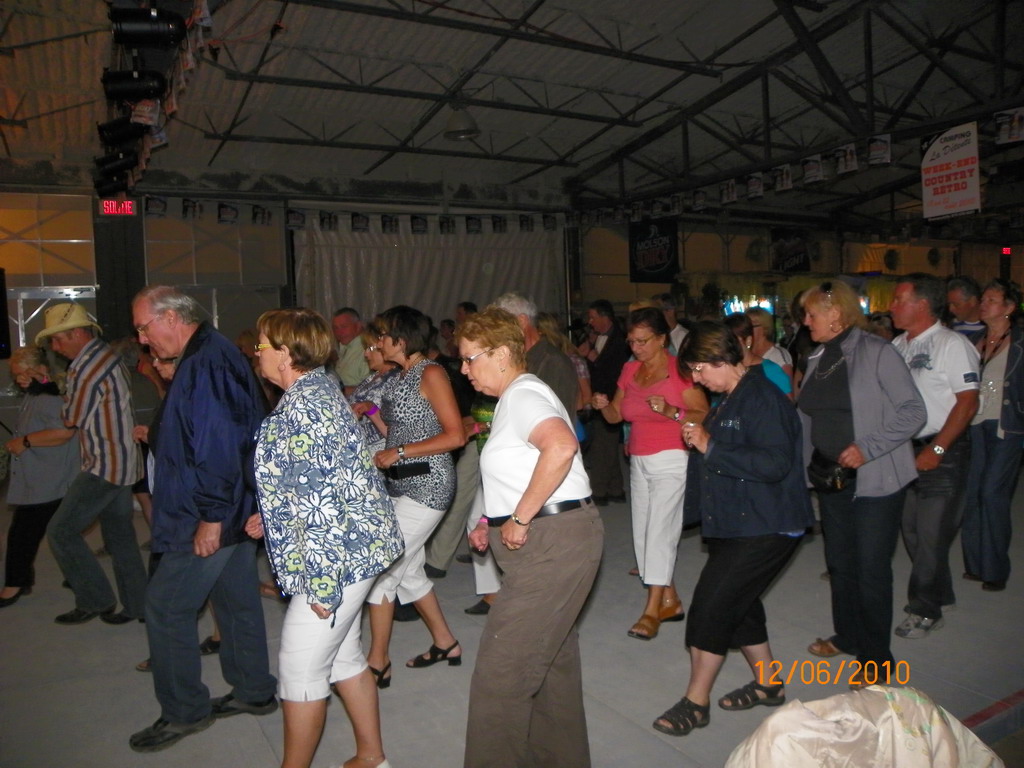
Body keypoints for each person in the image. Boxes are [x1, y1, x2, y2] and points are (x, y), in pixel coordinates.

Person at [249, 308, 403, 768]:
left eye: (261, 345)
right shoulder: (319, 388)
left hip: (336, 559)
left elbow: (322, 505)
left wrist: (322, 586)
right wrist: (274, 514)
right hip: (359, 546)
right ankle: (372, 757)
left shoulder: (303, 409)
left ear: (284, 353)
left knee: (300, 673)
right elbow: (321, 477)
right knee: (343, 658)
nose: (256, 353)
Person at [128, 286, 278, 753]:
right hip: (229, 507)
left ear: (172, 317)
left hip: (208, 511)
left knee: (166, 607)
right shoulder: (207, 354)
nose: (142, 340)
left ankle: (184, 711)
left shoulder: (207, 361)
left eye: (144, 328)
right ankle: (254, 689)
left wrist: (212, 517)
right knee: (236, 601)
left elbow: (219, 444)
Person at [457, 307, 603, 768]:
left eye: (470, 358)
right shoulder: (515, 398)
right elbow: (521, 469)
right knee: (553, 668)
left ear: (501, 354)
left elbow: (560, 446)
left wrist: (520, 518)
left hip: (553, 544)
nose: (463, 369)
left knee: (499, 678)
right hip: (554, 540)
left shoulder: (523, 393)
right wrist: (493, 520)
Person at [652, 321, 812, 738]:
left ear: (722, 359)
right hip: (737, 522)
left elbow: (775, 464)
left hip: (768, 524)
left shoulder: (763, 399)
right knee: (740, 603)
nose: (697, 380)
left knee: (712, 608)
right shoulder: (731, 398)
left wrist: (711, 445)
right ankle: (769, 683)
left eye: (700, 369)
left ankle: (696, 703)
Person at [797, 281, 926, 670]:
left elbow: (913, 411)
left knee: (871, 569)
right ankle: (848, 635)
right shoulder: (819, 356)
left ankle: (876, 657)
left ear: (835, 314)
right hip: (830, 476)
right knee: (840, 563)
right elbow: (809, 415)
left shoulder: (877, 352)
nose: (805, 322)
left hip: (875, 479)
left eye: (811, 314)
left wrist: (868, 447)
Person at [591, 307, 707, 640]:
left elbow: (702, 412)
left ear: (661, 339)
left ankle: (652, 610)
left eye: (643, 341)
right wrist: (603, 406)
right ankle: (670, 600)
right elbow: (617, 416)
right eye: (631, 341)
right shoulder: (630, 370)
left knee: (659, 533)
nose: (636, 347)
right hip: (639, 461)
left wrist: (672, 411)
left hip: (672, 458)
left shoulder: (678, 370)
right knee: (643, 533)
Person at [365, 305, 465, 687]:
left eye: (383, 335)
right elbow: (399, 429)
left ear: (401, 339)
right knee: (408, 571)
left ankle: (378, 662)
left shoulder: (431, 373)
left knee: (383, 572)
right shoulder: (401, 375)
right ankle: (446, 642)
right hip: (401, 483)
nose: (378, 342)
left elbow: (455, 435)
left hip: (428, 485)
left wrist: (401, 452)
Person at [33, 303, 147, 625]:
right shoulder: (105, 357)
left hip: (105, 466)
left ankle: (95, 599)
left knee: (60, 531)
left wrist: (57, 391)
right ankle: (137, 605)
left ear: (77, 333)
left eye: (58, 340)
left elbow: (71, 417)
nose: (56, 348)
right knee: (120, 537)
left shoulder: (87, 367)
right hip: (122, 461)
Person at [890, 274, 980, 639]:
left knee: (930, 534)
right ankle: (941, 593)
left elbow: (968, 401)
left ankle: (924, 609)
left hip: (944, 450)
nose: (891, 307)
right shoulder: (898, 345)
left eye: (899, 300)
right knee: (912, 532)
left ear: (923, 305)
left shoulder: (951, 344)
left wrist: (938, 448)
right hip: (905, 451)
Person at [1, 347, 81, 607]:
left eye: (23, 373)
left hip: (49, 479)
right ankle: (77, 576)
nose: (19, 379)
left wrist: (25, 441)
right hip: (42, 477)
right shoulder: (37, 395)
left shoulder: (48, 398)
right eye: (16, 375)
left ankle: (15, 584)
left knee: (23, 535)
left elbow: (64, 432)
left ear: (41, 370)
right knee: (57, 533)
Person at [961, 279, 1024, 592]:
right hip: (975, 424)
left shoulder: (1020, 342)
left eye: (991, 300)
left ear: (1009, 307)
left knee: (992, 493)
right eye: (983, 299)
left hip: (1007, 426)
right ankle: (976, 564)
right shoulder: (975, 340)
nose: (983, 304)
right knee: (972, 493)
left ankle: (996, 568)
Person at [579, 299, 630, 505]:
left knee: (602, 446)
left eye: (593, 317)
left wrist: (593, 357)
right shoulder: (597, 337)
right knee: (607, 445)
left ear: (604, 317)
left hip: (611, 399)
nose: (590, 322)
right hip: (598, 398)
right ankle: (616, 489)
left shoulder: (620, 339)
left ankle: (599, 491)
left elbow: (615, 372)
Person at [350, 326, 400, 454]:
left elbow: (397, 432)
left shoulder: (397, 378)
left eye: (370, 348)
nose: (366, 354)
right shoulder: (371, 378)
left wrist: (370, 409)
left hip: (381, 452)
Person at [724, 313, 792, 397]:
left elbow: (786, 402)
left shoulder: (770, 370)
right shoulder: (727, 370)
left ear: (748, 341)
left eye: (734, 342)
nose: (729, 347)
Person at [746, 307, 794, 384]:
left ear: (765, 328)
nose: (748, 330)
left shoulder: (778, 354)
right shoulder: (745, 354)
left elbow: (787, 387)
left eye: (752, 325)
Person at [332, 308, 370, 395]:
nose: (339, 332)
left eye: (344, 327)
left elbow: (371, 388)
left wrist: (335, 390)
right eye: (335, 328)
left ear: (358, 326)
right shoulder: (344, 347)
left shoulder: (366, 350)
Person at [947, 276, 986, 340]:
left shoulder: (987, 329)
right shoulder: (950, 326)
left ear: (972, 301)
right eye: (949, 304)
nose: (951, 309)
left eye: (956, 304)